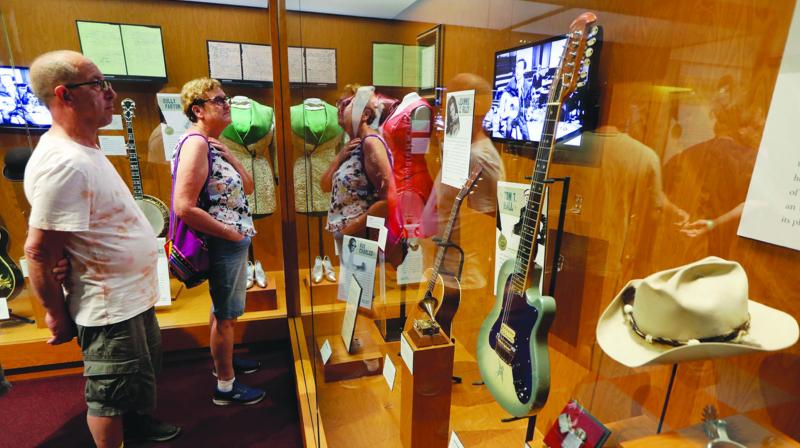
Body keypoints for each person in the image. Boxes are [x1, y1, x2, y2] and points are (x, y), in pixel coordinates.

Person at [23, 50, 180, 447]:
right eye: (98, 84)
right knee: (108, 393)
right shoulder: (65, 163)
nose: (110, 92)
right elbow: (39, 251)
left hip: (131, 296)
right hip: (108, 306)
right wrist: (55, 315)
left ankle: (139, 426)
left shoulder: (84, 148)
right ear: (66, 95)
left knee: (139, 374)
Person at [172, 77, 265, 406]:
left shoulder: (211, 143)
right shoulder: (197, 144)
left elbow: (249, 188)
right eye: (219, 100)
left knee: (222, 309)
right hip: (225, 240)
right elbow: (184, 206)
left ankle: (223, 361)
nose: (227, 104)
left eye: (226, 99)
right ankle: (226, 386)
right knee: (226, 314)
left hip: (231, 238)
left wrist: (233, 157)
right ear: (198, 110)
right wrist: (231, 234)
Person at [322, 85, 398, 248]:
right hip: (351, 238)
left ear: (365, 114)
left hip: (362, 237)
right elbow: (325, 185)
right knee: (351, 275)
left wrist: (348, 230)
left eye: (347, 103)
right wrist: (339, 158)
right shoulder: (352, 145)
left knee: (359, 275)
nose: (340, 107)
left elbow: (389, 200)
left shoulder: (371, 143)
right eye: (339, 103)